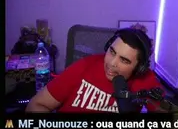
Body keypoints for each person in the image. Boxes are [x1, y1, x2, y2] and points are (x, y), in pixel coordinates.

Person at [24, 26, 164, 113]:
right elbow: (36, 105)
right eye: (112, 52)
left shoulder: (145, 80)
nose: (112, 63)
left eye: (124, 60)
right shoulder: (85, 65)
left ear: (139, 68)